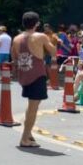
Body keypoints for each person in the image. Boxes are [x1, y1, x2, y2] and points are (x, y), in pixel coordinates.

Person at [12, 11, 56, 148]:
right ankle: (24, 138)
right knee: (33, 108)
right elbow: (53, 51)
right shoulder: (40, 36)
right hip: (37, 75)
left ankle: (28, 133)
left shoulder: (16, 39)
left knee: (31, 106)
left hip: (24, 74)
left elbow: (14, 58)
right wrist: (55, 42)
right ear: (37, 23)